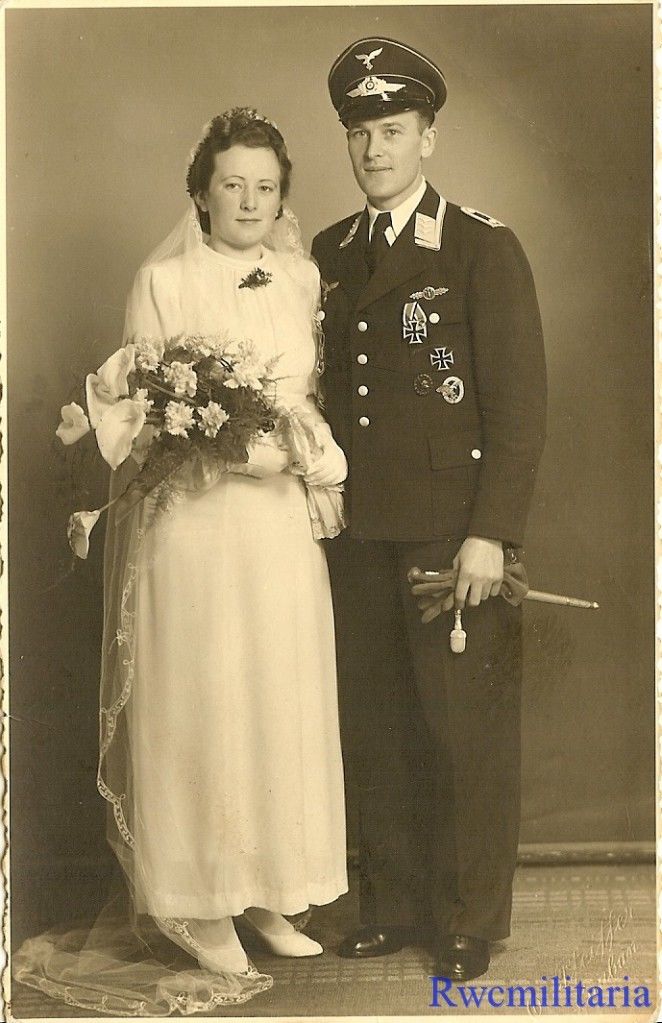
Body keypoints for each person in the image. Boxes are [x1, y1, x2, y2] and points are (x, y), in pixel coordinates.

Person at [14, 108, 349, 1014]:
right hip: (195, 526)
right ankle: (202, 904)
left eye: (265, 187)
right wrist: (229, 441)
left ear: (282, 196)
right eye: (231, 184)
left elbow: (309, 396)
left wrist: (305, 452)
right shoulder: (161, 281)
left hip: (278, 528)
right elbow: (143, 414)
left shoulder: (302, 277)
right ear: (200, 192)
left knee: (275, 695)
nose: (249, 200)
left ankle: (268, 889)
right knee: (205, 699)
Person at [311, 38, 547, 981]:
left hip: (453, 533)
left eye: (394, 130)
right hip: (359, 532)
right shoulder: (330, 252)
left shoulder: (482, 246)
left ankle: (468, 916)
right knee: (378, 725)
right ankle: (397, 902)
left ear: (429, 138)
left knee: (464, 734)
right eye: (361, 133)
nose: (375, 150)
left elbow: (519, 408)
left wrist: (492, 532)